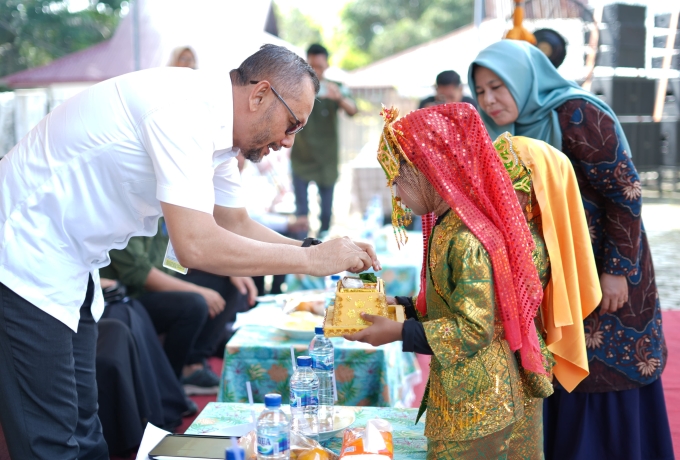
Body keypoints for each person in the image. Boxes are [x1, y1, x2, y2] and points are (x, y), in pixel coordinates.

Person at [0, 44, 380, 459]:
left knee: (85, 428)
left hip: (71, 265)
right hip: (22, 255)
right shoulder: (185, 110)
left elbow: (234, 223)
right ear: (259, 94)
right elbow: (196, 243)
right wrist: (311, 262)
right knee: (50, 442)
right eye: (292, 124)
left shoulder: (221, 128)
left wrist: (316, 248)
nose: (288, 142)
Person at [469, 40, 673, 460]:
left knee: (603, 372)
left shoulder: (576, 114)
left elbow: (625, 193)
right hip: (554, 277)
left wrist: (616, 269)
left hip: (604, 270)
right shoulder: (503, 134)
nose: (489, 100)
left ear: (521, 80)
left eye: (498, 87)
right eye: (482, 91)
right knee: (561, 373)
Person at [346, 103, 564, 459]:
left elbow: (474, 329)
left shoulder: (466, 238)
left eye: (397, 180)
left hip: (480, 402)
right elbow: (449, 301)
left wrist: (399, 332)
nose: (396, 196)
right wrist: (400, 307)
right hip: (467, 390)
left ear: (426, 170)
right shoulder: (448, 225)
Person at [99, 218, 257, 394]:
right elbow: (140, 274)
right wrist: (199, 291)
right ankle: (170, 384)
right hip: (127, 299)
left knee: (230, 284)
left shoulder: (159, 213)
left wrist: (228, 269)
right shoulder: (124, 216)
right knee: (195, 303)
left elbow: (178, 261)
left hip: (156, 287)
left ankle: (193, 364)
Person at [290, 44, 358, 237]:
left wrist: (339, 99)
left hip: (327, 159)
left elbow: (353, 110)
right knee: (301, 213)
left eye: (320, 66)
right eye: (312, 66)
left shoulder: (335, 88)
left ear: (327, 65)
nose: (316, 71)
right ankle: (299, 252)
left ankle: (323, 251)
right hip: (301, 157)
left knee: (326, 215)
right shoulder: (296, 86)